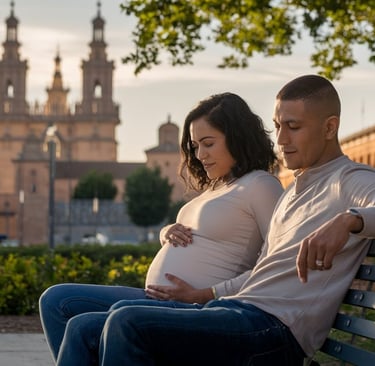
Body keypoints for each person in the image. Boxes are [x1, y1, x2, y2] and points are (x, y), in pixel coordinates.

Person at [52, 74, 375, 366]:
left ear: (330, 127)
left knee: (127, 322)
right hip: (240, 311)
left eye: (293, 127)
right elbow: (263, 269)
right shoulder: (296, 190)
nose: (281, 139)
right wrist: (209, 294)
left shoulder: (350, 180)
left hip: (276, 330)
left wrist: (349, 220)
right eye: (277, 126)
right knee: (85, 327)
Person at [39, 92, 284, 363]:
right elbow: (199, 233)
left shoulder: (261, 185)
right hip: (160, 298)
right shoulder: (217, 187)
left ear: (237, 138)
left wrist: (206, 293)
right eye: (194, 146)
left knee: (83, 327)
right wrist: (165, 232)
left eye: (208, 144)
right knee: (56, 300)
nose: (200, 155)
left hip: (198, 307)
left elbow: (275, 263)